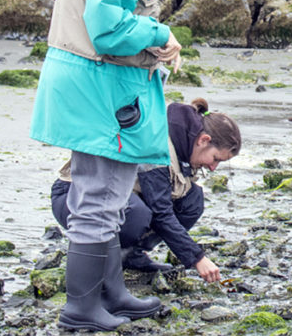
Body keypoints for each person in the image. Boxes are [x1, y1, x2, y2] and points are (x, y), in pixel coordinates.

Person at [30, 0, 182, 331]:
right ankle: (81, 309)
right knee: (98, 201)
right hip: (101, 91)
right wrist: (160, 32)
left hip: (85, 85)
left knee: (108, 200)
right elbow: (107, 27)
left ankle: (110, 293)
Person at [50, 99, 240, 283]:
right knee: (137, 213)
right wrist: (197, 258)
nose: (213, 167)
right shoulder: (158, 146)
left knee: (192, 201)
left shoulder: (184, 144)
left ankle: (130, 255)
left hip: (112, 198)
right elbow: (161, 213)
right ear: (204, 140)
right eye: (216, 158)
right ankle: (104, 260)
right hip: (74, 197)